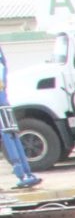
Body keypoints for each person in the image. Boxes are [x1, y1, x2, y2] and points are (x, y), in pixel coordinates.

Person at [0, 44, 42, 190]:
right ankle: (25, 172)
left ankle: (23, 173)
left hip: (2, 101)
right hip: (3, 101)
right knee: (11, 134)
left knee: (9, 134)